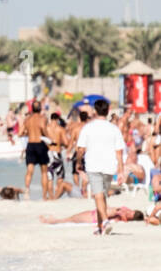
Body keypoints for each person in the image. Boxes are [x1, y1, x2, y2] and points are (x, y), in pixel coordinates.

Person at [75, 98, 125, 235]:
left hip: (93, 164)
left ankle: (105, 221)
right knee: (101, 196)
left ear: (95, 111)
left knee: (98, 196)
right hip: (110, 166)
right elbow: (119, 152)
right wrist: (121, 170)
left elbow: (80, 149)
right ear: (108, 111)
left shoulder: (88, 127)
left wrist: (78, 162)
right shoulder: (114, 129)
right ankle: (99, 227)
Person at [23, 100, 50, 199]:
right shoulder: (43, 118)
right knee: (44, 171)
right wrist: (50, 138)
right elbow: (43, 129)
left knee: (29, 170)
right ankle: (44, 195)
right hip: (40, 144)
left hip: (30, 144)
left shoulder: (27, 119)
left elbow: (21, 132)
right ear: (40, 109)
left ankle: (27, 191)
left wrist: (29, 133)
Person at [40, 205, 143, 225]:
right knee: (70, 218)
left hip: (94, 217)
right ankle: (54, 220)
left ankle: (52, 221)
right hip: (95, 212)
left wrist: (122, 214)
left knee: (71, 219)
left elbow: (122, 218)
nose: (128, 212)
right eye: (131, 211)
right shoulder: (125, 210)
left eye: (130, 214)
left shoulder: (123, 218)